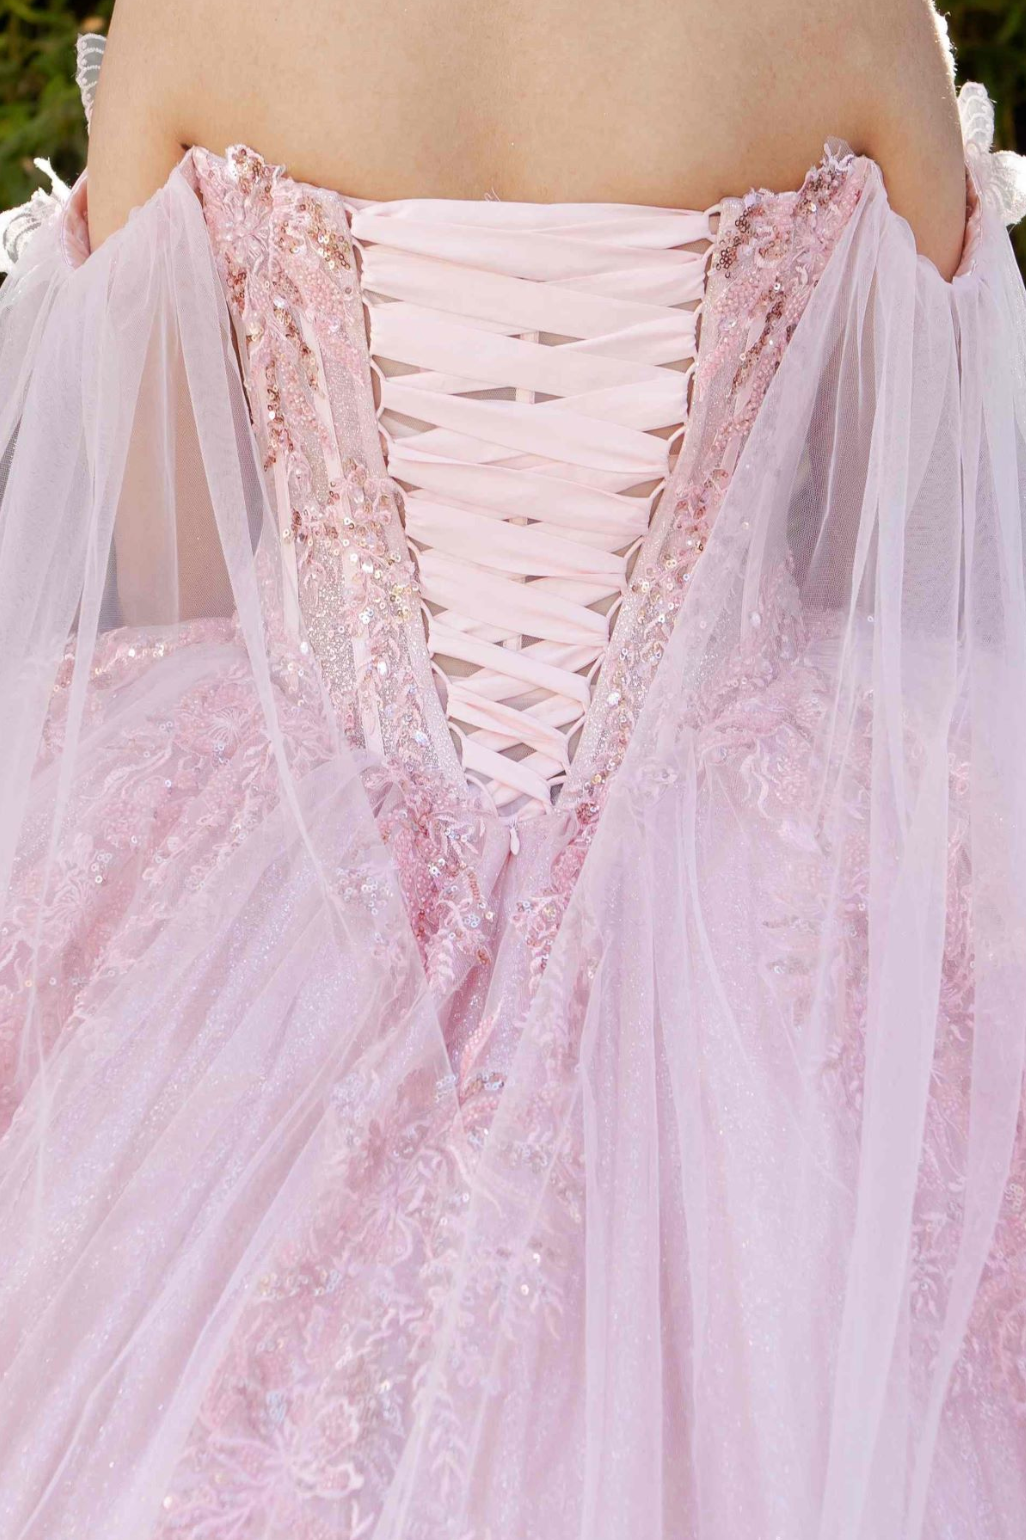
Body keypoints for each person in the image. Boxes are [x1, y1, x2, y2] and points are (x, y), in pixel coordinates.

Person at [0, 2, 1023, 1535]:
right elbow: (892, 516)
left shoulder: (196, 20)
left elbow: (167, 544)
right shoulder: (846, 21)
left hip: (280, 850)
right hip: (751, 834)